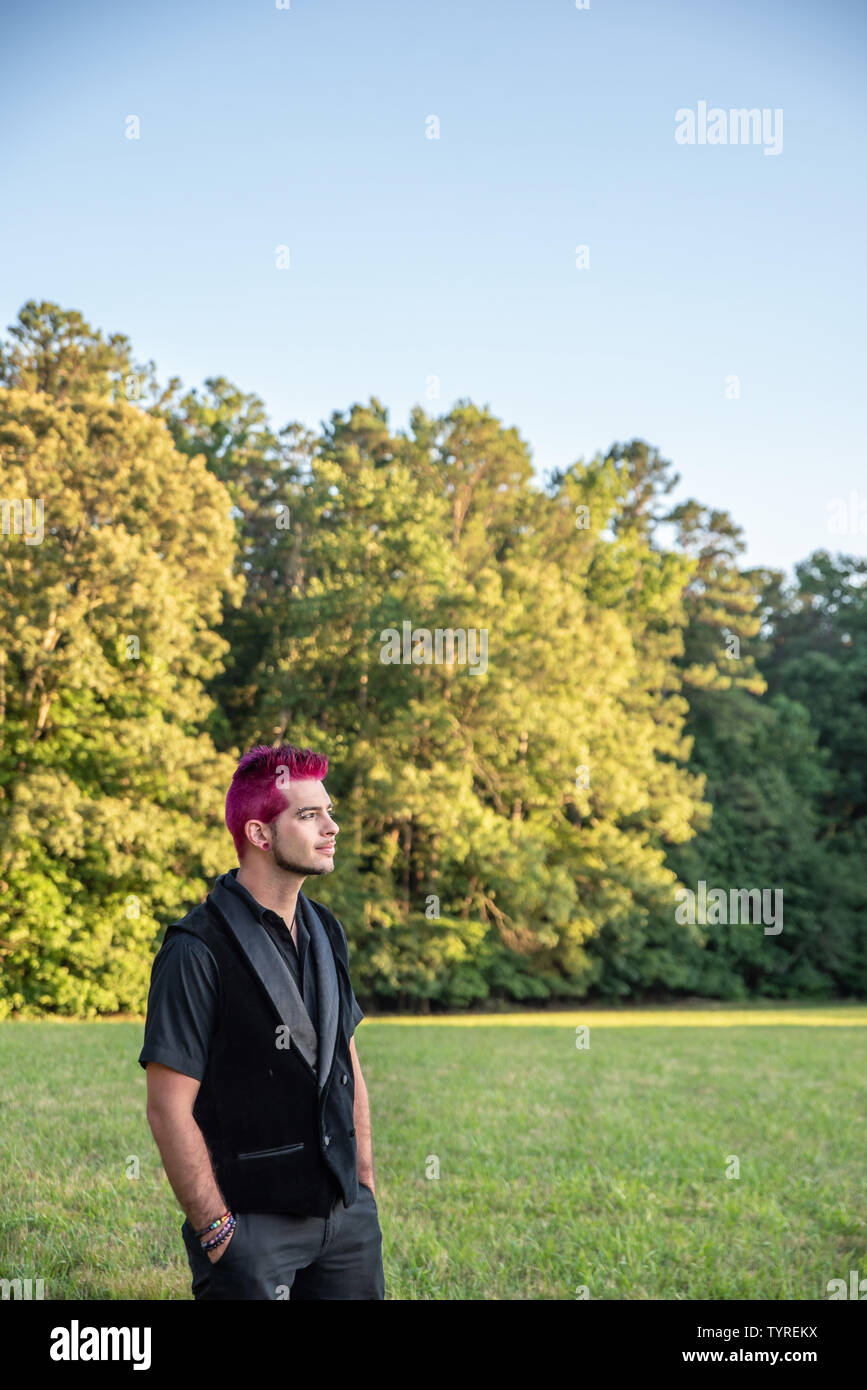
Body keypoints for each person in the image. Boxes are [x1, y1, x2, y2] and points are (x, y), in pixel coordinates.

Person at [139, 742, 384, 1300]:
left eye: (328, 810)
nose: (332, 826)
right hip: (249, 1231)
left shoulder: (326, 928)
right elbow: (166, 1106)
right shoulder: (194, 949)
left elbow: (345, 1058)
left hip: (345, 1223)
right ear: (259, 835)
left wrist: (363, 1190)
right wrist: (218, 1232)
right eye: (309, 814)